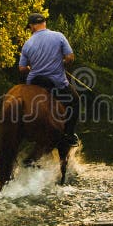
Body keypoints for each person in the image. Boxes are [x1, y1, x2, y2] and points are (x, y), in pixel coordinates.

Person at [18, 12, 80, 147]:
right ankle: (69, 134)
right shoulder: (59, 36)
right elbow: (70, 57)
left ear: (32, 27)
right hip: (57, 82)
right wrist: (62, 63)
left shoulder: (27, 44)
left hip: (35, 82)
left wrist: (32, 68)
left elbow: (22, 69)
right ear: (44, 23)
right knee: (75, 101)